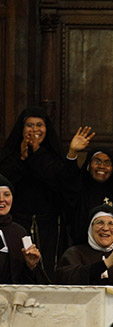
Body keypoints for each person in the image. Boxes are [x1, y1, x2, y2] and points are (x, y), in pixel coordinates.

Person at [0, 107, 67, 279]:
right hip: (17, 222)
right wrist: (21, 157)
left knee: (47, 267)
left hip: (49, 224)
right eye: (29, 125)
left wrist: (37, 152)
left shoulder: (54, 154)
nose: (34, 130)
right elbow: (5, 181)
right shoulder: (10, 153)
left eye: (39, 125)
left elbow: (58, 182)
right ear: (22, 129)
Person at [62, 131, 113, 245]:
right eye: (97, 161)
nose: (102, 166)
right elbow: (69, 178)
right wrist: (72, 152)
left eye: (107, 163)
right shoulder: (79, 188)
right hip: (83, 248)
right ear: (89, 166)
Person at [55, 204, 113, 286]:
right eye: (99, 223)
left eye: (111, 224)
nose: (105, 228)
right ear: (90, 228)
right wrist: (107, 263)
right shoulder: (74, 254)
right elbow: (64, 280)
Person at [0, 174, 46, 284]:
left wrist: (31, 265)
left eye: (7, 194)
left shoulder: (19, 232)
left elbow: (29, 280)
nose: (2, 200)